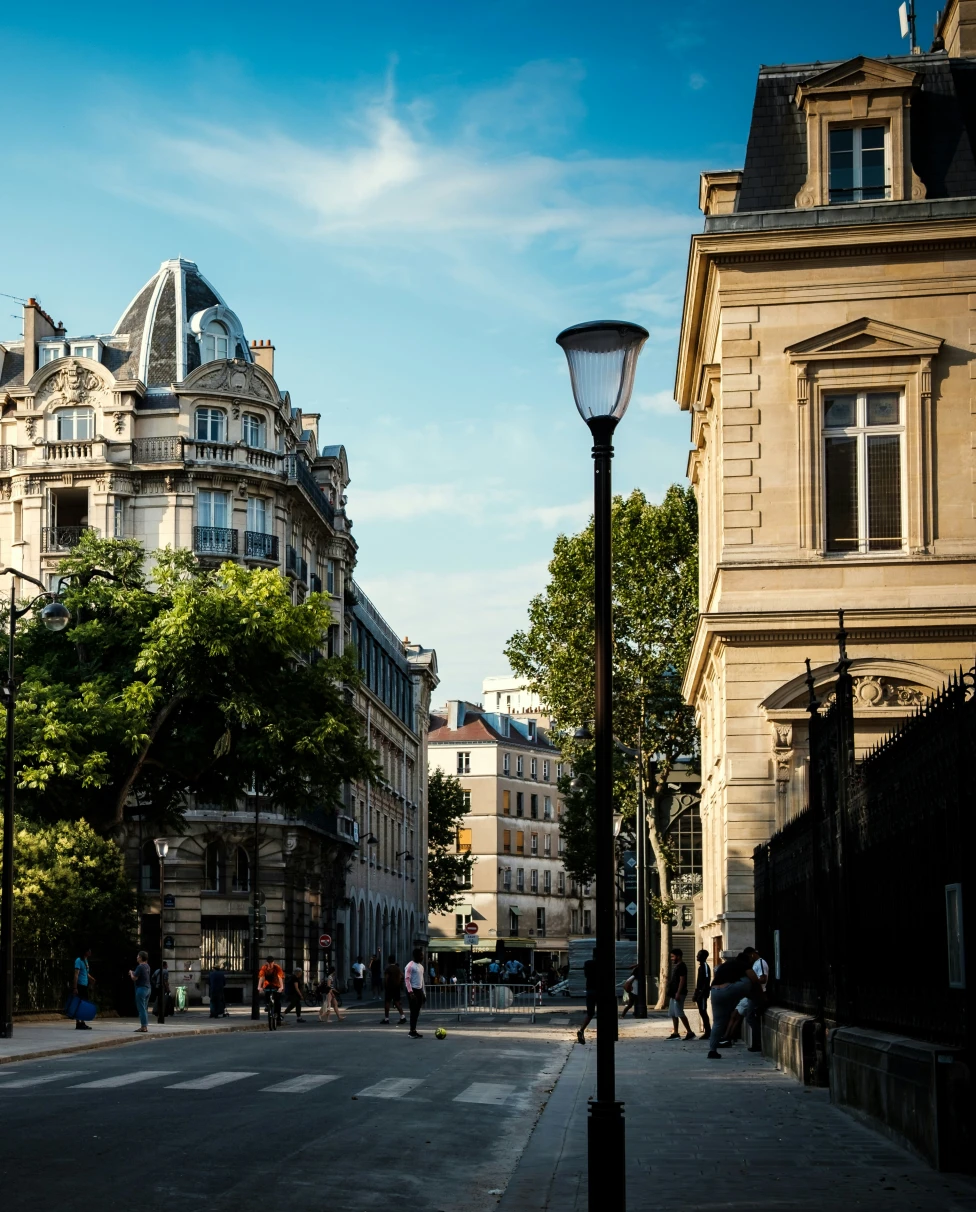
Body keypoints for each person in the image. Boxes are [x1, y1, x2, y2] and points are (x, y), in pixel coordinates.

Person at [707, 949, 763, 1059]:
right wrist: (760, 996)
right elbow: (755, 979)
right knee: (749, 982)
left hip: (715, 992)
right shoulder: (743, 965)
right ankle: (756, 1000)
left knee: (718, 1022)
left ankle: (712, 1051)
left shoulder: (725, 965)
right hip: (729, 989)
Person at [719, 947, 768, 1050]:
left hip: (756, 994)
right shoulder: (755, 964)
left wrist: (751, 981)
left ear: (752, 954)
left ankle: (756, 1043)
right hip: (751, 994)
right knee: (737, 1014)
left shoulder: (760, 963)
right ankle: (728, 1037)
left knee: (750, 1017)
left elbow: (763, 979)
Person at [666, 948, 696, 1040]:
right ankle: (675, 1032)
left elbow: (682, 980)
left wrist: (678, 993)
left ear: (678, 956)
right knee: (673, 1013)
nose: (671, 958)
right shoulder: (678, 966)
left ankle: (690, 1032)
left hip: (678, 993)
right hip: (674, 993)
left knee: (679, 1012)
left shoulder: (682, 966)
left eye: (673, 956)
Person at [576, 949, 597, 1045]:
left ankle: (582, 1030)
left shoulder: (588, 963)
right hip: (600, 990)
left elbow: (585, 975)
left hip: (590, 990)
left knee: (590, 1013)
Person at [404, 947, 426, 1038]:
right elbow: (407, 979)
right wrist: (410, 992)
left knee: (417, 1011)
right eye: (421, 955)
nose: (422, 957)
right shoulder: (410, 966)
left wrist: (423, 993)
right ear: (416, 956)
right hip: (412, 990)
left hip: (419, 990)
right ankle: (411, 1031)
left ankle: (414, 1030)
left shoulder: (421, 966)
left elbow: (422, 980)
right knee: (413, 1011)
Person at [258, 955, 285, 1025]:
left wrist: (281, 987)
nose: (270, 964)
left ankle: (278, 1017)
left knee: (278, 1001)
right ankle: (267, 1004)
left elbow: (280, 977)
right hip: (267, 984)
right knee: (267, 992)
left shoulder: (277, 967)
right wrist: (259, 987)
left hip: (276, 984)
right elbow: (261, 977)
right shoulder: (264, 968)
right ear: (266, 962)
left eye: (271, 962)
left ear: (273, 962)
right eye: (268, 963)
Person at [73, 946, 95, 1030]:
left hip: (85, 985)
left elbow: (86, 973)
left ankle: (82, 1021)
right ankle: (78, 1022)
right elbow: (76, 974)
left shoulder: (85, 961)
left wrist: (91, 978)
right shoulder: (79, 960)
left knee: (84, 1004)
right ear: (85, 951)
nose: (90, 952)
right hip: (80, 985)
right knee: (79, 1004)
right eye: (88, 950)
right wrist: (75, 987)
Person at [129, 950, 151, 1033]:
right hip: (148, 988)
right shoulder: (147, 966)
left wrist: (131, 972)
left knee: (141, 1008)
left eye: (138, 956)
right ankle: (145, 1025)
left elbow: (134, 978)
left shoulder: (140, 966)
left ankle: (143, 1026)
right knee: (145, 1008)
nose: (137, 957)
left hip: (141, 989)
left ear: (141, 958)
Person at [381, 954, 406, 1024]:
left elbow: (386, 978)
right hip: (396, 987)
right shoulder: (397, 968)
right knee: (397, 1002)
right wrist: (399, 981)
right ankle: (402, 1016)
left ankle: (386, 1018)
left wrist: (385, 985)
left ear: (389, 961)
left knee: (387, 1002)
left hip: (389, 987)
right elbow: (402, 975)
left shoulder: (388, 969)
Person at [693, 949, 712, 1038]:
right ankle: (707, 1031)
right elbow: (699, 982)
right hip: (700, 993)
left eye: (699, 955)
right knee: (701, 1011)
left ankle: (708, 1031)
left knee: (703, 1012)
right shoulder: (701, 967)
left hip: (703, 994)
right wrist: (696, 993)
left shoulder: (705, 966)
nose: (697, 956)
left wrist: (702, 993)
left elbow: (706, 981)